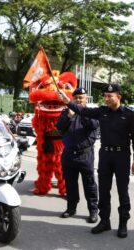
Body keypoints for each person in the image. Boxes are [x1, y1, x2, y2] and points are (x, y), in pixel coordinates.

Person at [59, 83, 134, 238]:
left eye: (110, 96)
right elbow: (83, 110)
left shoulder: (129, 115)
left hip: (122, 156)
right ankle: (104, 221)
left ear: (119, 97)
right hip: (105, 156)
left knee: (123, 191)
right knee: (104, 190)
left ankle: (123, 222)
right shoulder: (101, 112)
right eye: (105, 96)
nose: (107, 98)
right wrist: (67, 101)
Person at [56, 87, 99, 223]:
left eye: (82, 97)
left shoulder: (92, 113)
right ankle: (71, 208)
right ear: (73, 98)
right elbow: (59, 127)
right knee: (70, 184)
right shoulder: (67, 112)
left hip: (85, 155)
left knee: (89, 184)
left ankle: (93, 211)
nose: (79, 100)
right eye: (76, 98)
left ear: (86, 99)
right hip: (68, 154)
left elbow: (93, 125)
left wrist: (79, 111)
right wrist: (69, 116)